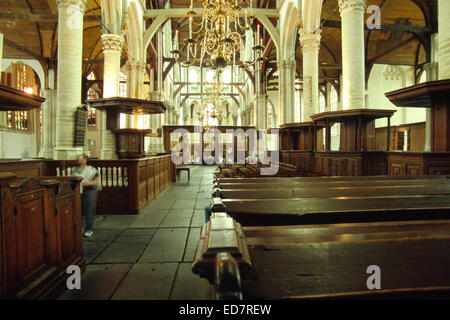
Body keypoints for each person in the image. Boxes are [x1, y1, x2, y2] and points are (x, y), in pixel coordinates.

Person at [73, 155, 100, 237]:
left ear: (85, 160)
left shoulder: (91, 170)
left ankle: (89, 229)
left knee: (89, 210)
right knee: (79, 210)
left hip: (90, 191)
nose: (81, 161)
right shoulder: (75, 170)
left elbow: (97, 180)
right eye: (79, 159)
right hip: (79, 191)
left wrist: (88, 183)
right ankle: (80, 228)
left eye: (82, 159)